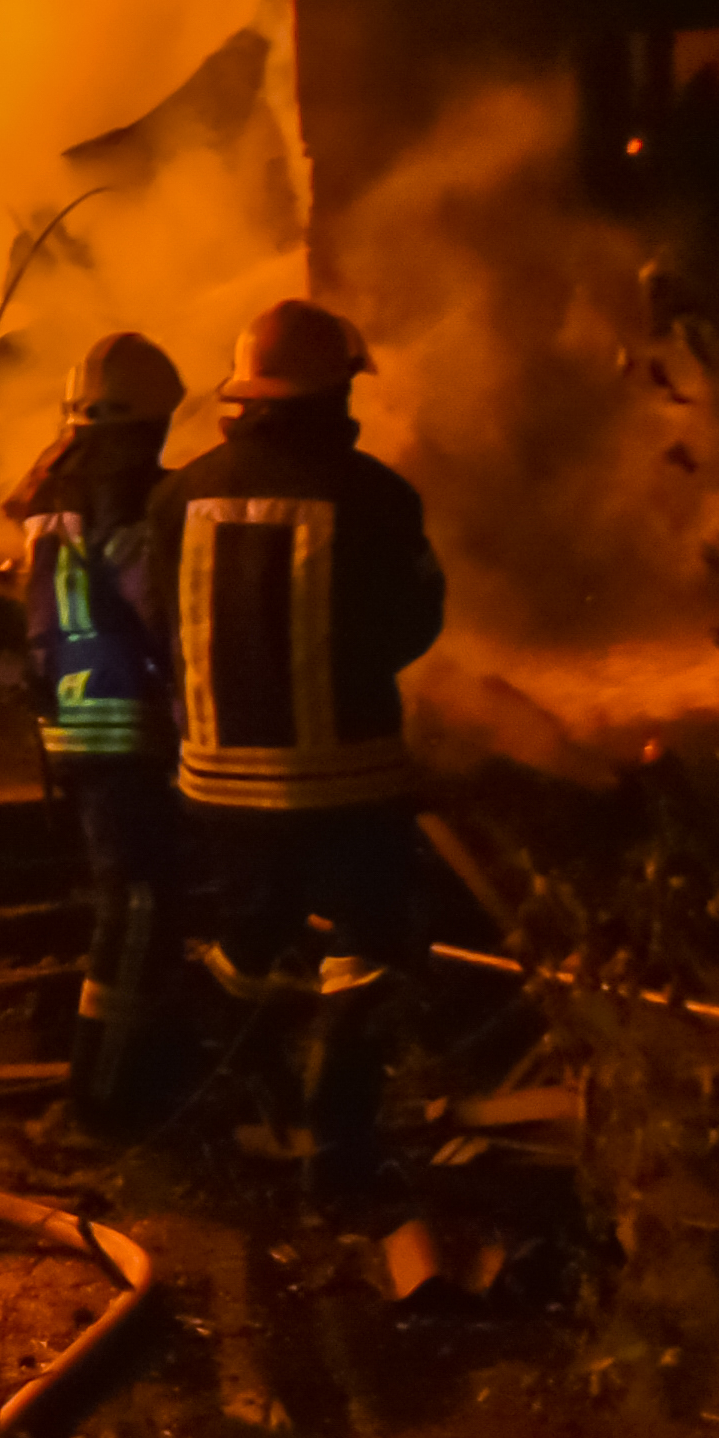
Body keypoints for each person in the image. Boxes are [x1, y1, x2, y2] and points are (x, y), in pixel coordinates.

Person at [149, 298, 448, 1208]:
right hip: (347, 780)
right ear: (334, 394)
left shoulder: (176, 497)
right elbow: (412, 623)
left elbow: (162, 625)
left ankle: (227, 1096)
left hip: (217, 783)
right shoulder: (377, 496)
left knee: (248, 939)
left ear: (244, 395)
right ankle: (338, 1149)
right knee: (367, 947)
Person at [7, 328, 191, 1131]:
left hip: (70, 712)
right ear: (149, 420)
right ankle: (106, 1096)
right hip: (124, 717)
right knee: (140, 902)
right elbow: (157, 603)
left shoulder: (53, 491)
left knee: (135, 898)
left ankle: (144, 1070)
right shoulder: (130, 494)